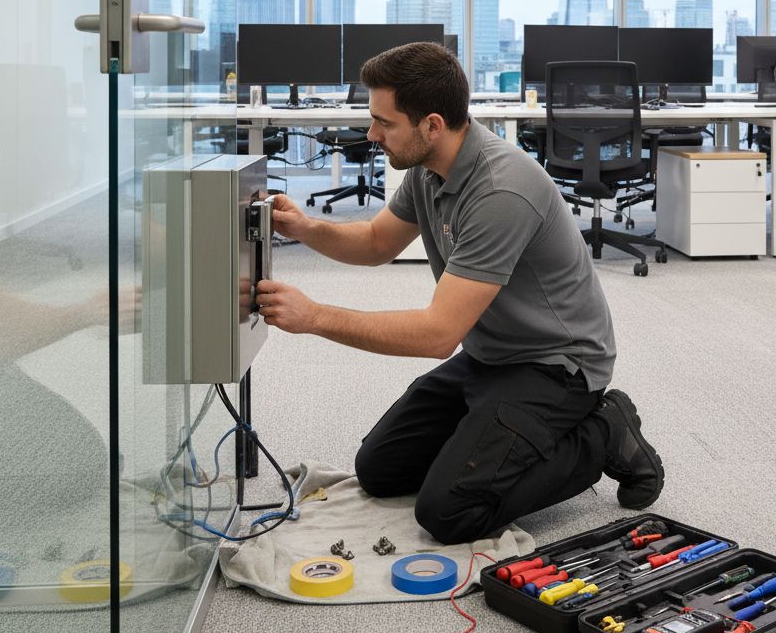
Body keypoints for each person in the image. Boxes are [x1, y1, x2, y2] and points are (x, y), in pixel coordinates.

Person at [254, 41, 664, 545]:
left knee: (450, 512)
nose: (371, 133)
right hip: (490, 353)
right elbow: (378, 242)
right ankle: (499, 436)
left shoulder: (500, 190)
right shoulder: (431, 169)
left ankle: (604, 432)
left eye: (384, 122)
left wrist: (315, 317)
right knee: (380, 471)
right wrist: (304, 229)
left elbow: (437, 334)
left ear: (431, 125)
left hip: (556, 365)